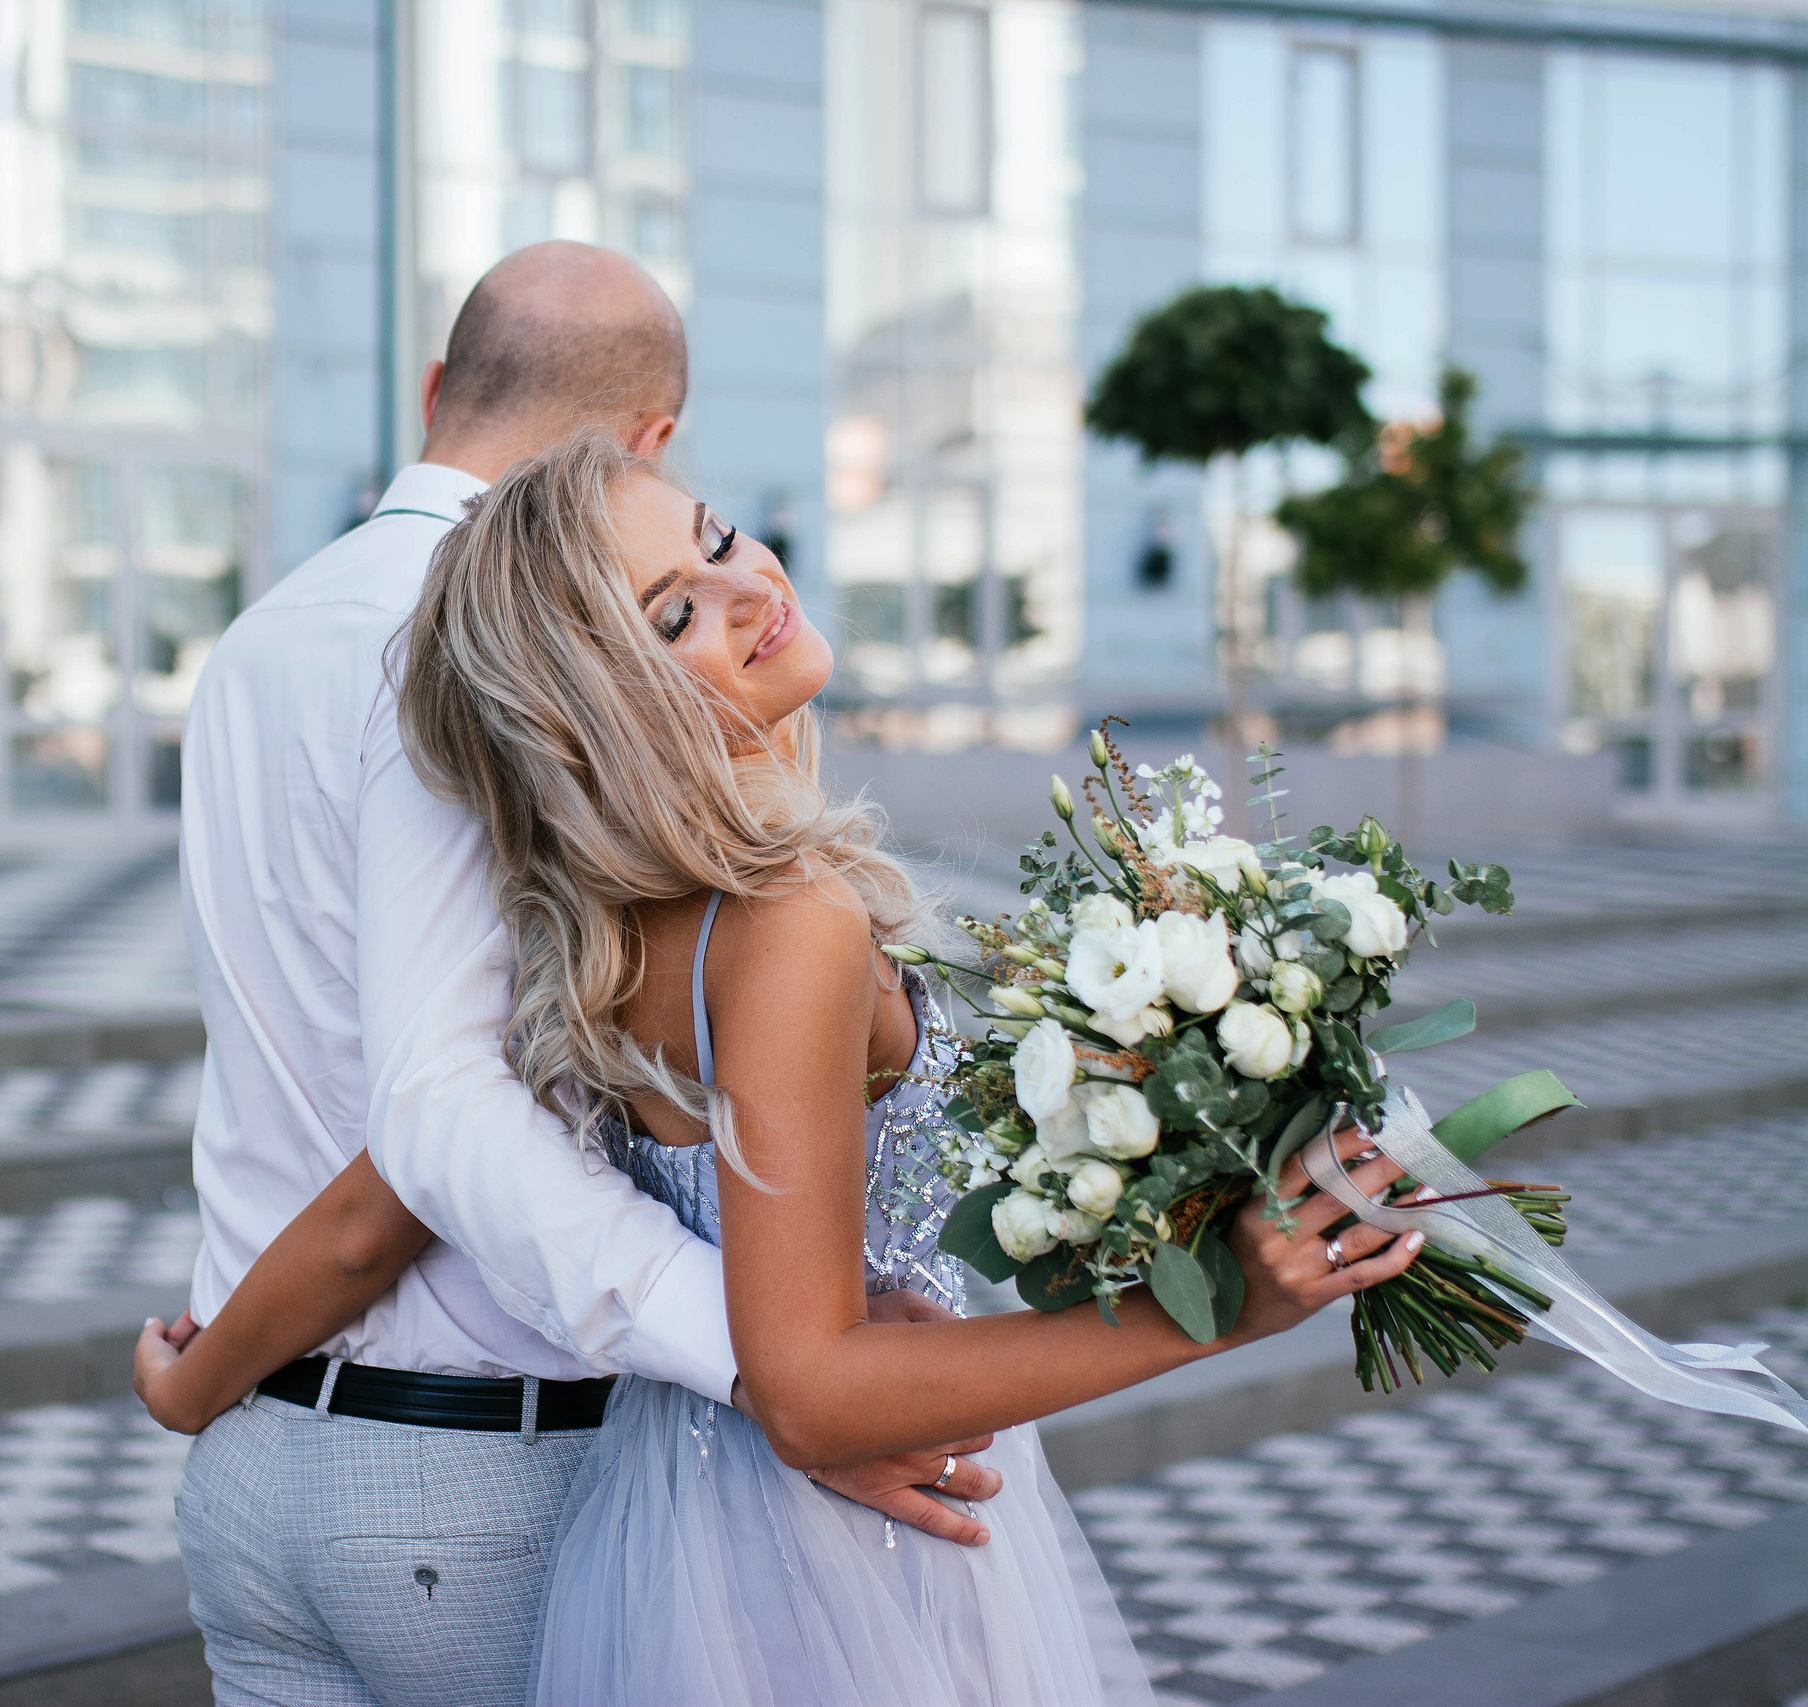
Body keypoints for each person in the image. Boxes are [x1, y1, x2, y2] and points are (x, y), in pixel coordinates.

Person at [142, 432, 1428, 1704]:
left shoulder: (604, 933)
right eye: (672, 618)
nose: (752, 588)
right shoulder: (788, 925)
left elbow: (394, 1187)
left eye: (715, 538)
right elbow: (811, 1391)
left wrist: (195, 1380)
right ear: (595, 711)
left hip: (675, 1523)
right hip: (829, 1556)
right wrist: (1215, 1313)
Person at [161, 242, 1000, 1707]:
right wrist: (782, 1359)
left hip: (258, 1461)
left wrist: (206, 1368)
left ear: (438, 388)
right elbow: (430, 1118)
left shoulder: (254, 639)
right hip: (489, 1466)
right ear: (647, 443)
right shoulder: (484, 641)